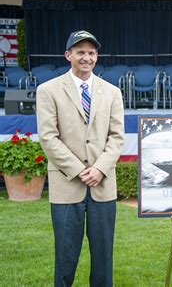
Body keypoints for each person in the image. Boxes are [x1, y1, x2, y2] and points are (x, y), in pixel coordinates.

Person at [37, 30, 125, 287]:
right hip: (67, 186)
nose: (86, 57)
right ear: (68, 56)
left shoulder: (111, 92)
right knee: (65, 256)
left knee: (103, 257)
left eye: (91, 53)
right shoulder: (48, 90)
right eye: (80, 52)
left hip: (103, 185)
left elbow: (117, 137)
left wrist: (99, 169)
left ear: (96, 57)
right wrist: (79, 169)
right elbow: (48, 137)